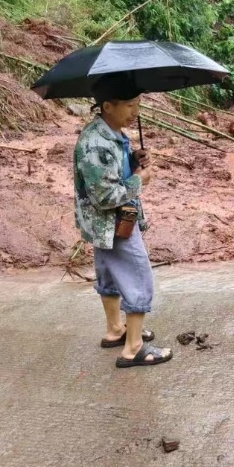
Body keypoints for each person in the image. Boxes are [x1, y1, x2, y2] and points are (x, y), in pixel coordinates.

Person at [74, 74, 173, 368]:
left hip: (104, 226)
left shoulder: (111, 133)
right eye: (129, 106)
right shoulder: (96, 144)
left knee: (108, 274)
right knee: (137, 274)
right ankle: (133, 348)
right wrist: (139, 180)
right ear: (107, 106)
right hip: (114, 224)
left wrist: (132, 161)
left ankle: (116, 329)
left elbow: (112, 173)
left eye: (138, 105)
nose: (135, 113)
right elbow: (105, 196)